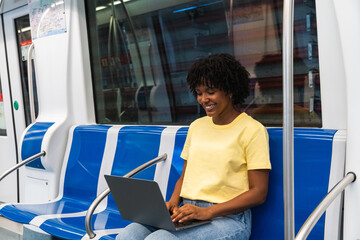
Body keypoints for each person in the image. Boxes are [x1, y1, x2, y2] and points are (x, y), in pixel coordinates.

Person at [116, 53, 271, 240]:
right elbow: (185, 176)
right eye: (199, 92)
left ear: (229, 90)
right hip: (188, 212)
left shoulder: (252, 130)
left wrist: (209, 212)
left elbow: (258, 193)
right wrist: (173, 202)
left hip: (229, 219)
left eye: (211, 92)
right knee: (128, 235)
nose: (204, 99)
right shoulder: (197, 126)